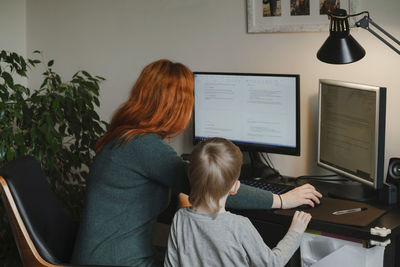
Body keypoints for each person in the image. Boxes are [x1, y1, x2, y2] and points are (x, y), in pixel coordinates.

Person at [71, 59, 321, 267]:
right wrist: (282, 199)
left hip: (96, 256)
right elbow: (213, 185)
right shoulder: (146, 148)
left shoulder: (126, 136)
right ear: (175, 109)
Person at [164, 137, 312, 266]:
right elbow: (272, 263)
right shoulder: (239, 226)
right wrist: (295, 232)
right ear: (235, 187)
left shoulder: (180, 219)